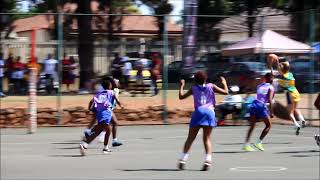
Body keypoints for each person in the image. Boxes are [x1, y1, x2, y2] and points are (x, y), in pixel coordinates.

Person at [178, 71, 228, 171]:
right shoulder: (211, 86)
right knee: (207, 139)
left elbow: (181, 96)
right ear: (205, 79)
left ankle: (183, 160)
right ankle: (208, 160)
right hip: (209, 112)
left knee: (190, 138)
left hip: (199, 112)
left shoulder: (193, 88)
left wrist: (182, 85)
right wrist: (224, 82)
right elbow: (226, 92)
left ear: (195, 80)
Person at [80, 78, 124, 156]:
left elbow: (91, 101)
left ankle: (104, 148)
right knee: (101, 130)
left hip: (99, 114)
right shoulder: (111, 92)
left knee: (105, 130)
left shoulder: (98, 94)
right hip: (106, 113)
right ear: (110, 86)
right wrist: (121, 105)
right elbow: (117, 99)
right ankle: (85, 144)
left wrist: (90, 109)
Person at [269, 54, 306, 135]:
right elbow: (284, 68)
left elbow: (274, 76)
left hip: (290, 94)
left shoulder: (280, 79)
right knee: (296, 108)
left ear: (281, 70)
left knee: (290, 113)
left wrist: (271, 65)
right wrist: (278, 61)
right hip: (296, 93)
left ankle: (296, 125)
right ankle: (302, 119)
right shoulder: (290, 74)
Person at [242, 73, 275, 152]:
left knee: (252, 125)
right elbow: (270, 100)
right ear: (270, 79)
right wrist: (271, 112)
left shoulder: (259, 86)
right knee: (268, 125)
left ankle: (246, 145)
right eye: (272, 78)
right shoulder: (271, 87)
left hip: (253, 105)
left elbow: (262, 93)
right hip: (261, 106)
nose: (273, 79)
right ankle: (259, 142)